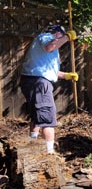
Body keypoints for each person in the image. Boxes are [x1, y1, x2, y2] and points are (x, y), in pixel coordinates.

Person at [20, 25, 78, 154]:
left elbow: (47, 70)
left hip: (33, 80)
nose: (62, 38)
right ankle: (49, 154)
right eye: (61, 35)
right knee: (47, 117)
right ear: (57, 33)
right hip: (39, 83)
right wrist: (67, 37)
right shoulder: (46, 37)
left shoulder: (43, 46)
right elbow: (50, 46)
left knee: (36, 115)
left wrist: (66, 75)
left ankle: (32, 144)